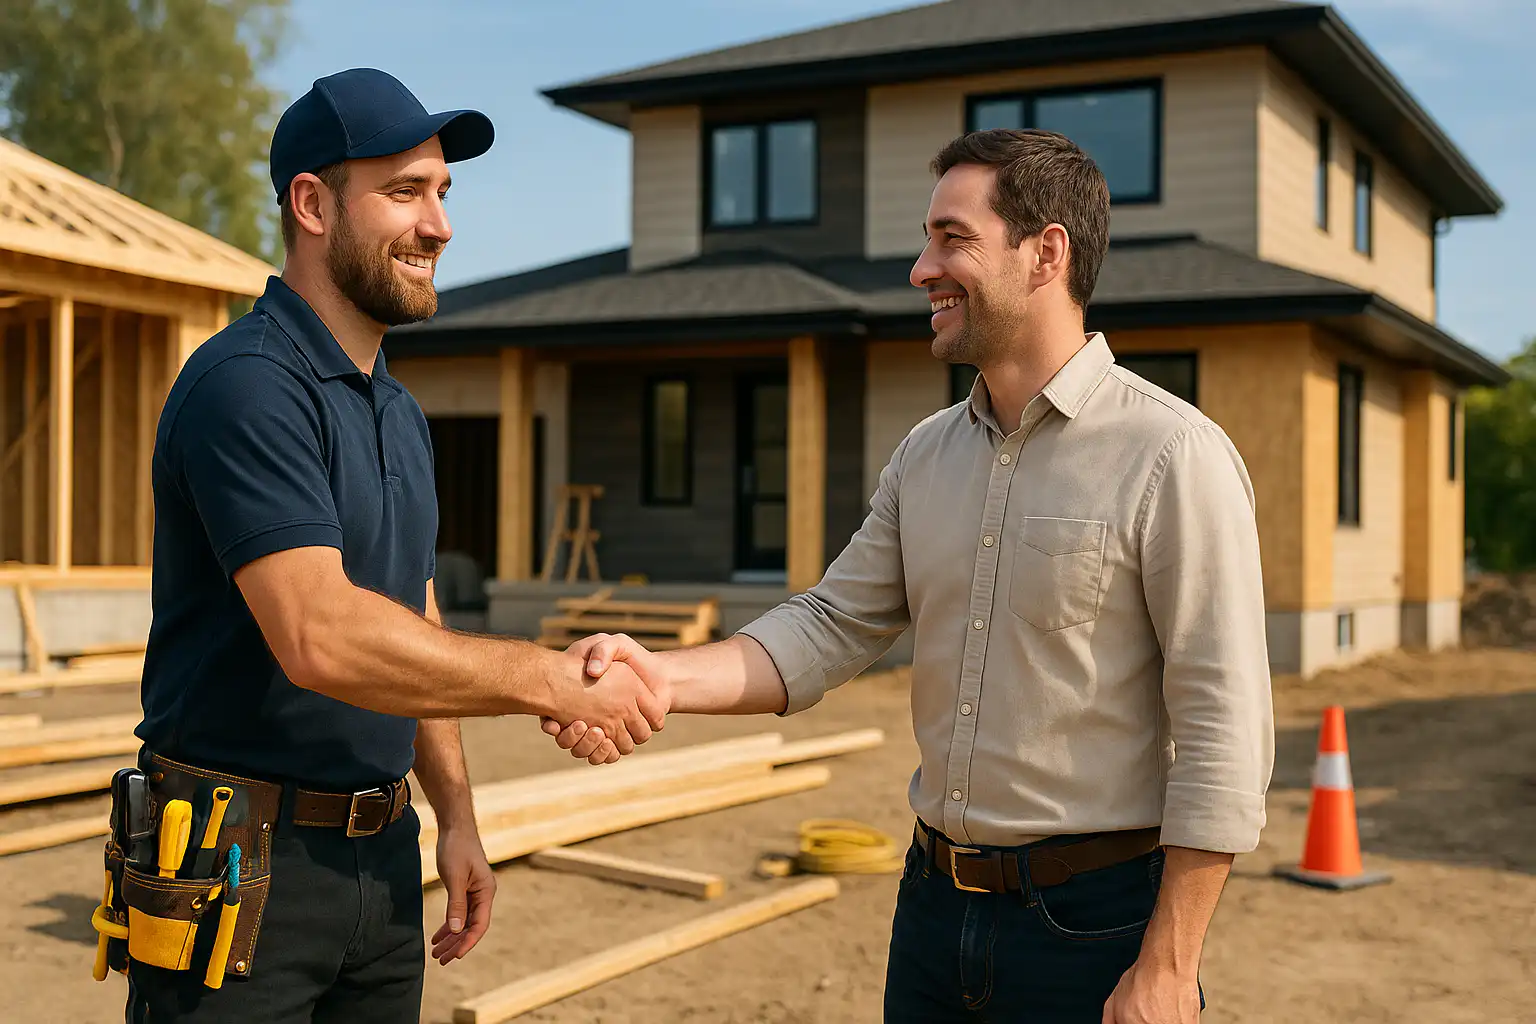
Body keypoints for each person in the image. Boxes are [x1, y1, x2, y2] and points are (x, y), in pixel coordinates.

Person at [547, 128, 1275, 1023]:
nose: (921, 268)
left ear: (1047, 252)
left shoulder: (1172, 455)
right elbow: (827, 626)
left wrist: (1168, 965)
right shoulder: (925, 456)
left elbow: (1223, 728)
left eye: (951, 238)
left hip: (1093, 930)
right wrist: (660, 674)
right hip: (933, 910)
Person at [125, 68, 665, 1024]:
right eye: (405, 192)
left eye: (444, 193)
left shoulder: (399, 413)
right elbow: (323, 636)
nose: (440, 226)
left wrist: (454, 815)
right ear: (313, 204)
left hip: (380, 859)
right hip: (238, 867)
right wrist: (553, 680)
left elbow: (408, 605)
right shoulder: (247, 387)